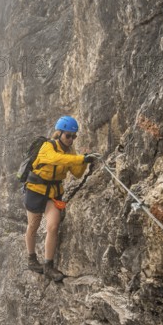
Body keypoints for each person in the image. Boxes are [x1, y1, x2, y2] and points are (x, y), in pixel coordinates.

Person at [24, 116, 101, 281]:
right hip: (36, 190)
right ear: (59, 133)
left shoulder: (70, 152)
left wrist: (86, 161)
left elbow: (77, 173)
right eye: (68, 136)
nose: (71, 140)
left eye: (74, 136)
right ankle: (31, 259)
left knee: (53, 226)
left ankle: (48, 266)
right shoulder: (47, 146)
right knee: (33, 226)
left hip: (53, 193)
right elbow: (55, 159)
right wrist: (81, 158)